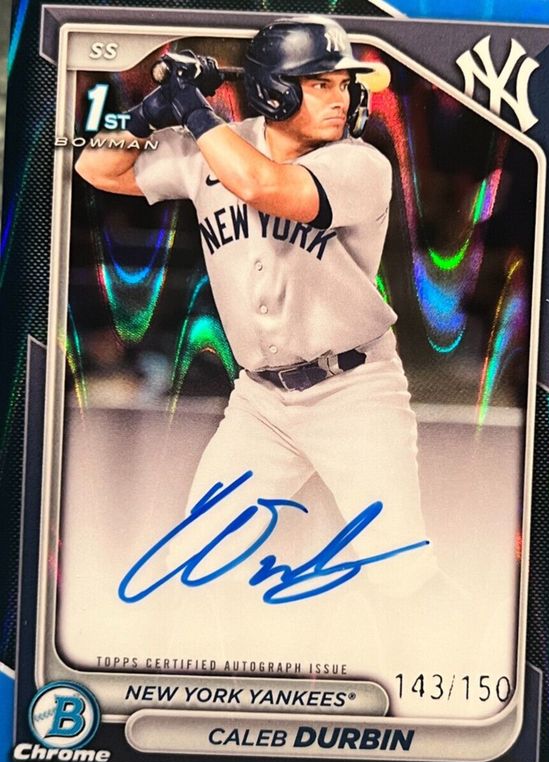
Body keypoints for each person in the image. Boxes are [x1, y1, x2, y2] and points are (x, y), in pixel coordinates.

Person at [76, 15, 435, 603]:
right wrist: (150, 113)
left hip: (355, 393)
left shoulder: (361, 164)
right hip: (261, 404)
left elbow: (263, 185)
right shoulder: (215, 146)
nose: (341, 99)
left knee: (400, 573)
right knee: (198, 559)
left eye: (343, 85)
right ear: (275, 91)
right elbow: (94, 168)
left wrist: (195, 111)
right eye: (319, 84)